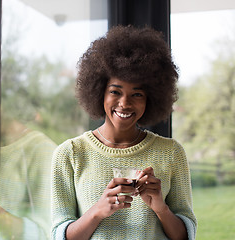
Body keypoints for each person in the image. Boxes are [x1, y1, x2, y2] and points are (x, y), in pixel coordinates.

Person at [50, 25, 197, 240]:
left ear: (151, 98)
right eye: (115, 91)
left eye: (137, 94)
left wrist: (160, 208)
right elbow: (59, 235)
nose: (125, 103)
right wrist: (97, 211)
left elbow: (185, 236)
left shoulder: (171, 153)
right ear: (99, 92)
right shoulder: (70, 154)